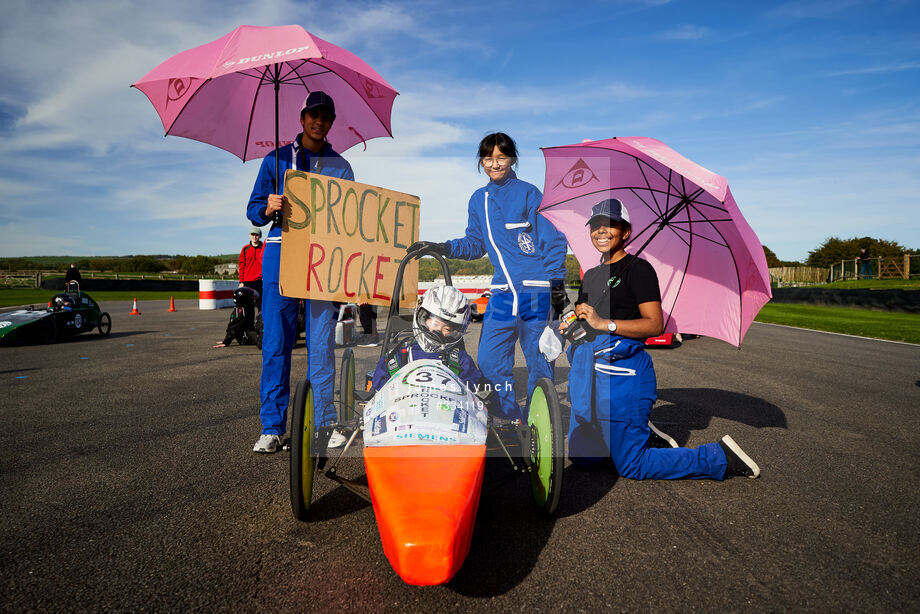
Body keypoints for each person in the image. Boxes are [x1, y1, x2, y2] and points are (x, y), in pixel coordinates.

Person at [560, 198, 760, 480]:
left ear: (625, 232)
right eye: (595, 226)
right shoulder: (592, 275)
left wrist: (604, 323)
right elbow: (587, 322)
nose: (601, 231)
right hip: (590, 372)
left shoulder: (639, 270)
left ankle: (718, 458)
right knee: (585, 458)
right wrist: (573, 325)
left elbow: (654, 325)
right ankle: (637, 435)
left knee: (632, 466)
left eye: (610, 225)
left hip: (624, 374)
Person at [407, 133, 568, 421]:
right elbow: (474, 243)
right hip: (502, 295)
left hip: (536, 293)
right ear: (481, 162)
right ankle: (509, 419)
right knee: (490, 363)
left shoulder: (529, 193)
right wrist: (442, 247)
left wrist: (557, 289)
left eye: (501, 157)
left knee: (541, 363)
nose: (495, 164)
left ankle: (537, 424)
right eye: (488, 158)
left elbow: (552, 241)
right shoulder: (477, 199)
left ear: (512, 159)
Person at [246, 91, 354, 454]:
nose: (318, 121)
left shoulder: (341, 166)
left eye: (326, 116)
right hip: (280, 256)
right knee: (276, 344)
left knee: (322, 345)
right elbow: (253, 208)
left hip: (322, 260)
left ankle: (324, 423)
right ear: (302, 117)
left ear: (331, 122)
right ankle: (272, 427)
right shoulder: (275, 160)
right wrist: (268, 207)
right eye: (313, 115)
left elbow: (352, 221)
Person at [370, 285, 488, 398]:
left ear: (455, 331)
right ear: (422, 317)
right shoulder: (397, 357)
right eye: (435, 323)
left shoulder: (460, 360)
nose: (438, 332)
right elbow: (378, 396)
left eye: (446, 329)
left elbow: (474, 395)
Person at [238, 228, 264, 299]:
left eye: (257, 235)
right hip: (247, 281)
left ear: (260, 236)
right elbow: (241, 266)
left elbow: (267, 265)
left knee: (260, 305)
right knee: (248, 305)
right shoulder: (245, 249)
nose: (254, 237)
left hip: (260, 281)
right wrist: (241, 282)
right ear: (250, 235)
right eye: (253, 234)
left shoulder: (264, 249)